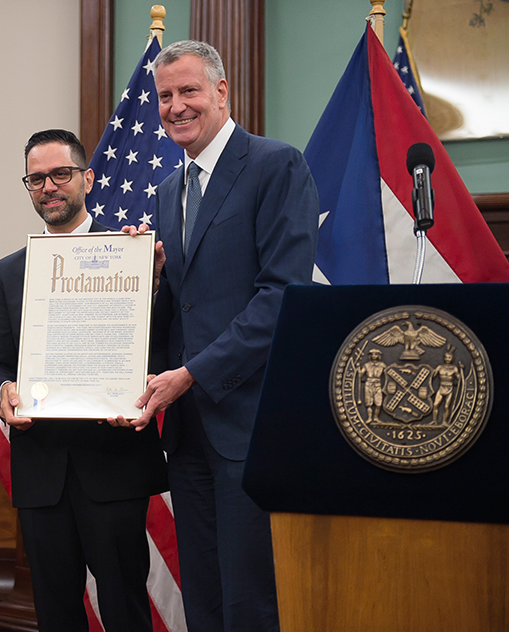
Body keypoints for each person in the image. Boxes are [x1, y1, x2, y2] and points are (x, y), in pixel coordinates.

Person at [128, 41, 320, 631]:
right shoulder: (164, 192)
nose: (176, 107)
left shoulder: (274, 165)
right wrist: (146, 284)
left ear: (221, 91)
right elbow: (183, 308)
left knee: (250, 601)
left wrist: (193, 374)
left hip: (249, 423)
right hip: (187, 433)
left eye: (189, 92)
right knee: (204, 601)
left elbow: (281, 297)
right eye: (165, 97)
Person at [0, 129, 168, 632]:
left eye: (60, 174)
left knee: (126, 608)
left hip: (113, 461)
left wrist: (149, 283)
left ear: (86, 178)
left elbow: (164, 345)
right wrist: (3, 392)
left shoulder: (130, 253)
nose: (48, 187)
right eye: (36, 179)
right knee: (56, 614)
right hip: (41, 468)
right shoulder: (8, 272)